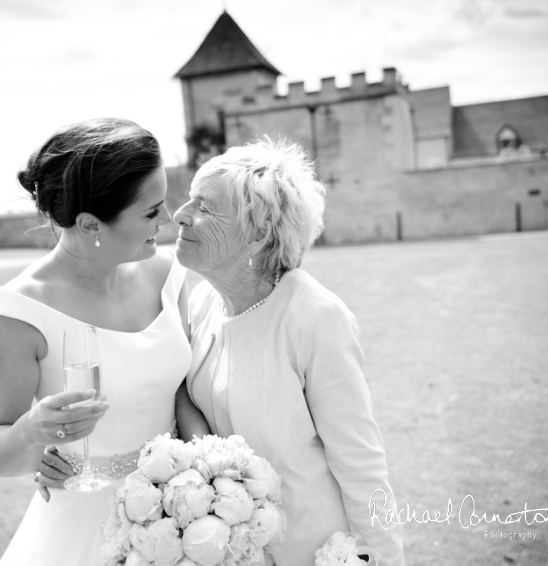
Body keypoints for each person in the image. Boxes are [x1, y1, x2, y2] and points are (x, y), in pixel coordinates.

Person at [173, 137, 405, 565]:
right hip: (233, 549)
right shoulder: (202, 302)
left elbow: (361, 462)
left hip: (309, 547)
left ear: (258, 233)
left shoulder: (316, 318)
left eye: (204, 207)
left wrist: (384, 558)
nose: (179, 215)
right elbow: (179, 397)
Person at [0, 118, 197, 565]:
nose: (168, 218)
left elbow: (180, 390)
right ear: (90, 224)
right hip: (81, 528)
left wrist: (203, 469)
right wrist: (32, 431)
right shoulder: (17, 314)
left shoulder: (167, 274)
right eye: (150, 211)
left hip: (180, 513)